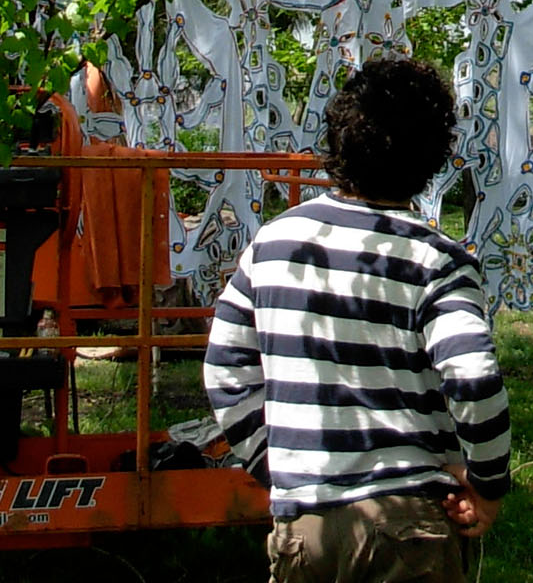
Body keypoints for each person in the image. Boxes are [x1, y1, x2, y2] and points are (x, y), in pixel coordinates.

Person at [206, 55, 511, 583]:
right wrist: (488, 485)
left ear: (339, 137)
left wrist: (278, 467)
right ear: (433, 155)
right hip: (409, 526)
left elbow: (225, 371)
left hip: (303, 529)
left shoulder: (273, 246)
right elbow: (474, 379)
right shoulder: (436, 260)